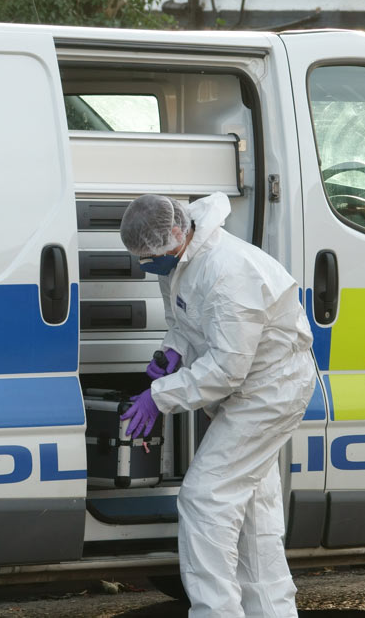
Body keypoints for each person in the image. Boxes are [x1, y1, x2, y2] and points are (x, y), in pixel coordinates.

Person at [118, 192, 317, 618]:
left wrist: (161, 396)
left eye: (149, 256)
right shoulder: (179, 258)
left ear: (176, 234)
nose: (145, 265)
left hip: (268, 392)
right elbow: (183, 320)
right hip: (248, 389)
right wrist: (171, 351)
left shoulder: (228, 272)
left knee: (204, 498)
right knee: (252, 513)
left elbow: (228, 369)